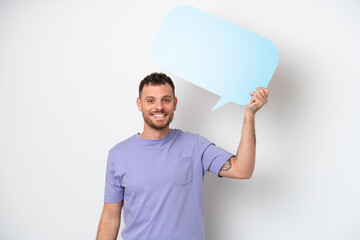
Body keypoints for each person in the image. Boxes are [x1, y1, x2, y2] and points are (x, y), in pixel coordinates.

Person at [96, 72, 269, 240]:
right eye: (151, 101)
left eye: (166, 100)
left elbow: (243, 170)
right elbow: (110, 218)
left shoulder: (195, 145)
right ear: (139, 104)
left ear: (175, 103)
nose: (159, 107)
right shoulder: (118, 155)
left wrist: (249, 115)